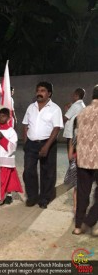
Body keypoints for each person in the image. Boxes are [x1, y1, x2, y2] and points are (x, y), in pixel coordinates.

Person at [22, 81, 63, 209]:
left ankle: (45, 198)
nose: (39, 93)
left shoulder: (55, 109)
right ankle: (32, 197)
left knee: (48, 173)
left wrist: (46, 146)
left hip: (48, 143)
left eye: (43, 91)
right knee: (28, 171)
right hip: (31, 144)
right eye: (38, 90)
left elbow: (56, 128)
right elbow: (25, 124)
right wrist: (25, 141)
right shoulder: (31, 107)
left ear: (49, 93)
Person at [72, 85, 98, 236]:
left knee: (82, 193)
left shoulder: (82, 113)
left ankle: (78, 226)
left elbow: (77, 135)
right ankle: (90, 220)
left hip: (83, 159)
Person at [0, 108, 23, 211]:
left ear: (8, 118)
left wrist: (2, 138)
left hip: (6, 160)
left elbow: (12, 148)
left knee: (4, 181)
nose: (1, 118)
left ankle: (8, 195)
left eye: (3, 116)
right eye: (0, 116)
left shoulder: (11, 132)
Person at [63, 88, 86, 152]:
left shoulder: (75, 105)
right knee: (77, 154)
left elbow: (65, 118)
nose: (72, 96)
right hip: (78, 132)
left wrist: (66, 109)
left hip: (71, 134)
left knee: (71, 154)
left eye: (73, 95)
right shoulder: (83, 105)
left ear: (76, 95)